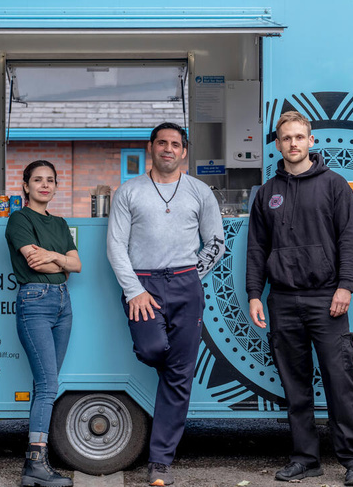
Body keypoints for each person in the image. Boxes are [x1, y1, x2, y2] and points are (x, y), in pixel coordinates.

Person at [245, 111, 353, 486]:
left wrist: (345, 285)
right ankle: (305, 459)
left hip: (326, 299)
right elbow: (256, 248)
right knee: (295, 386)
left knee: (340, 382)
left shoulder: (334, 186)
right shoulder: (267, 193)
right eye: (286, 138)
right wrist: (255, 293)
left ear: (311, 141)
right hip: (282, 300)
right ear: (278, 144)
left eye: (300, 137)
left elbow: (350, 238)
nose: (294, 143)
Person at [107, 122, 225, 487]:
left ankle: (160, 462)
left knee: (180, 376)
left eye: (175, 144)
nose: (169, 149)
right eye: (162, 143)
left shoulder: (200, 192)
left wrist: (192, 275)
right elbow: (115, 247)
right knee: (153, 348)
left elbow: (216, 242)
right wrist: (134, 291)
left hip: (186, 283)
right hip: (142, 284)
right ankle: (172, 373)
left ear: (184, 151)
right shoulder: (129, 192)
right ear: (151, 148)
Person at [5, 160, 82, 487]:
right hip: (35, 301)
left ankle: (36, 462)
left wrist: (57, 259)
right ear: (25, 186)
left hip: (63, 303)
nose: (45, 185)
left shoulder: (61, 222)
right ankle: (35, 464)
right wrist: (59, 259)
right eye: (38, 180)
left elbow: (76, 266)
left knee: (45, 385)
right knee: (48, 385)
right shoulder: (19, 218)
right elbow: (32, 258)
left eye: (50, 180)